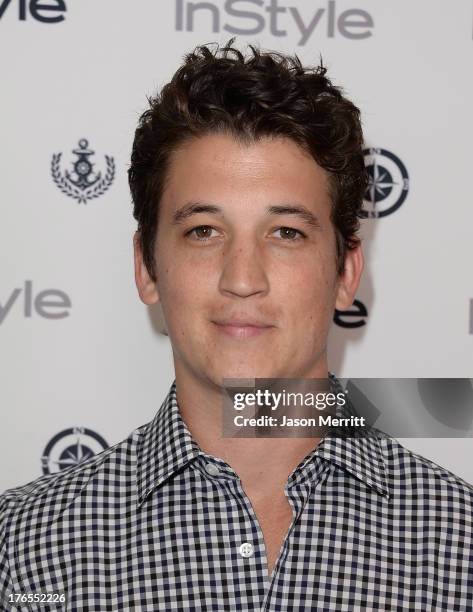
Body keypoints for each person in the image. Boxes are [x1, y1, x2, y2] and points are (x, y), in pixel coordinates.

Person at [1, 38, 472, 611]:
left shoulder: (460, 543)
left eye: (286, 233)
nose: (242, 278)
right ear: (147, 267)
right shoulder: (22, 547)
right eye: (204, 230)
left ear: (346, 272)